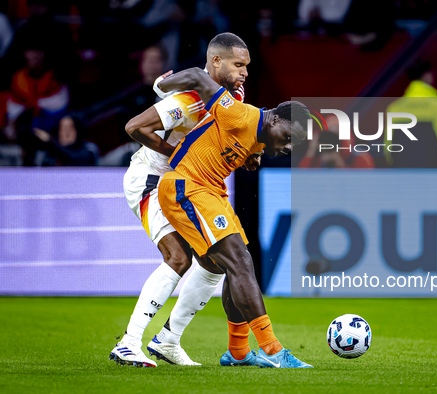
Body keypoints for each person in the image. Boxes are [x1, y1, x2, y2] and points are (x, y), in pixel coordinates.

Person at [109, 32, 254, 368]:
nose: (245, 72)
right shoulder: (188, 101)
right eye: (238, 64)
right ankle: (129, 343)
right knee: (178, 257)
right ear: (216, 62)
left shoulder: (234, 92)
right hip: (153, 179)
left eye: (247, 65)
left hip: (189, 184)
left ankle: (168, 341)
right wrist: (178, 154)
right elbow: (134, 127)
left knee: (216, 262)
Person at [155, 66, 312, 368]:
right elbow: (199, 78)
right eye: (289, 136)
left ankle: (237, 353)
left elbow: (237, 140)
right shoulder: (240, 114)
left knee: (235, 265)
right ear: (276, 118)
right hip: (187, 185)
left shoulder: (260, 134)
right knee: (240, 262)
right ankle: (272, 349)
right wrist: (164, 86)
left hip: (212, 191)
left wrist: (251, 154)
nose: (289, 146)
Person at [384, 61, 437, 169]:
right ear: (428, 76)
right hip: (433, 175)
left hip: (404, 174)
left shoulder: (394, 108)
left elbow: (388, 149)